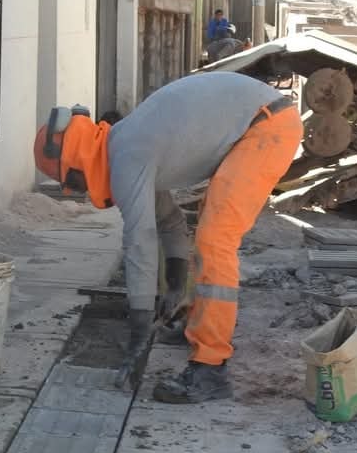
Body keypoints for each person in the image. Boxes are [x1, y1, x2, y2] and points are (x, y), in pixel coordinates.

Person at [32, 73, 303, 404]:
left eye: (72, 183)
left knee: (216, 239)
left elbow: (140, 242)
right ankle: (195, 319)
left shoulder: (126, 156)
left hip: (266, 126)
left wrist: (139, 326)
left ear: (74, 164)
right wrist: (175, 282)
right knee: (209, 226)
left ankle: (210, 368)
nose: (80, 190)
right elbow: (169, 220)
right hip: (260, 118)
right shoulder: (123, 142)